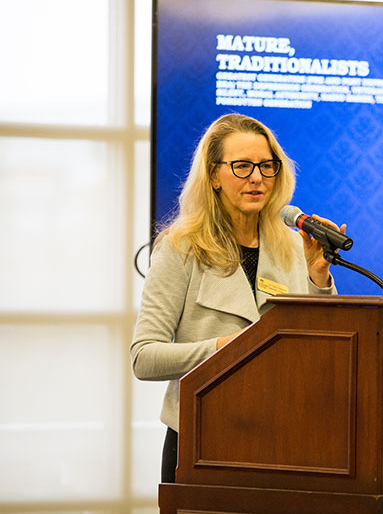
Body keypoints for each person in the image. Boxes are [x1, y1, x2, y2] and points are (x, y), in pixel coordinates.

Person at [130, 113, 343, 483]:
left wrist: (318, 276)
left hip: (283, 440)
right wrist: (227, 349)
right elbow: (144, 357)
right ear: (213, 175)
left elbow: (322, 348)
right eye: (242, 166)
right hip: (203, 441)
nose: (257, 177)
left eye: (266, 166)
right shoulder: (181, 249)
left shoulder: (294, 245)